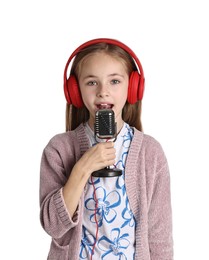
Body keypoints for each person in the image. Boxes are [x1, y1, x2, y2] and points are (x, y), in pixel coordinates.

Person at [39, 38, 173, 260]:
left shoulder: (151, 153)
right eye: (92, 82)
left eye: (115, 81)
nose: (103, 91)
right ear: (75, 90)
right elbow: (53, 226)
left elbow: (160, 239)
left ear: (132, 88)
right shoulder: (59, 149)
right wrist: (83, 168)